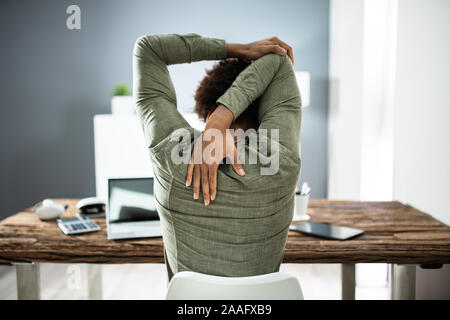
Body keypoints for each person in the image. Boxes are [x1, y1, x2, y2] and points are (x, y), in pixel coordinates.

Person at [133, 34, 302, 281]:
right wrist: (225, 114)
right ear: (264, 107)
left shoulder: (170, 151)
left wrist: (241, 48)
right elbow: (278, 59)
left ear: (206, 112)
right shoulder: (277, 160)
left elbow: (149, 49)